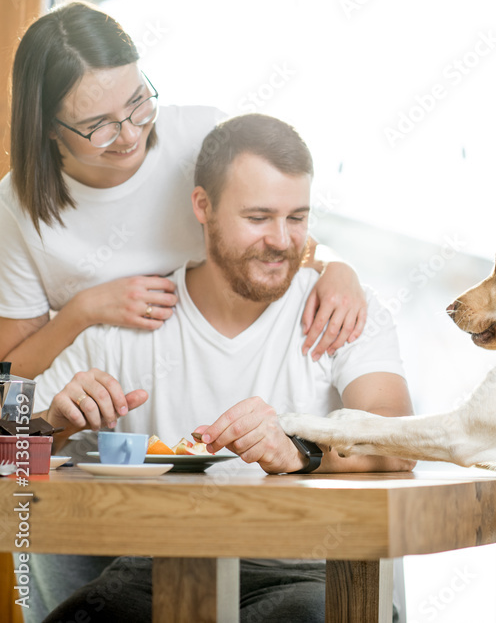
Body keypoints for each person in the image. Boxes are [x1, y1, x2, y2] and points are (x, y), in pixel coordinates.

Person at [31, 113, 415, 622]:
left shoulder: (341, 312)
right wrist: (55, 425)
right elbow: (12, 451)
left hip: (306, 574)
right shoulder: (127, 319)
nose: (281, 240)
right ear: (203, 207)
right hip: (152, 573)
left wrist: (300, 448)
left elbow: (399, 440)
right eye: (258, 218)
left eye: (297, 217)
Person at [0, 1, 367, 384]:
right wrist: (84, 309)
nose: (129, 136)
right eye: (98, 126)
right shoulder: (15, 210)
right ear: (49, 128)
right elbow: (9, 376)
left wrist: (337, 266)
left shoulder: (199, 138)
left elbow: (278, 227)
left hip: (221, 368)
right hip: (99, 401)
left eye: (138, 102)